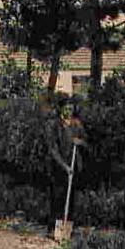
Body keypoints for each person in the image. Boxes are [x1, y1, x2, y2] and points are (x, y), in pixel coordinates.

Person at [42, 96, 85, 236]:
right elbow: (52, 149)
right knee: (57, 198)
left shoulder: (76, 124)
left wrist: (80, 142)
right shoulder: (54, 125)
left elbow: (85, 142)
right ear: (61, 109)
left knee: (70, 198)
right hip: (58, 169)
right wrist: (64, 166)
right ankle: (52, 228)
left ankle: (68, 228)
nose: (69, 111)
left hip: (73, 168)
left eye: (71, 108)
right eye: (66, 108)